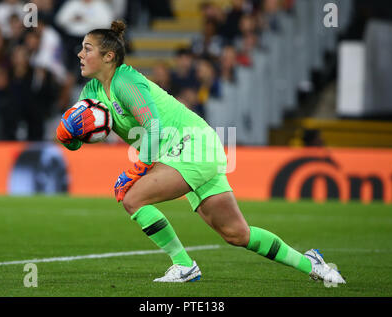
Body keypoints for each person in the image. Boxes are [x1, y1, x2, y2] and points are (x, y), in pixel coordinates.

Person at [55, 20, 346, 284]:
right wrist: (68, 137)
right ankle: (311, 263)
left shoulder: (125, 81)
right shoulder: (91, 91)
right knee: (237, 234)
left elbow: (153, 125)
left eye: (87, 48)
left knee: (132, 197)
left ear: (109, 57)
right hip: (176, 154)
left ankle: (184, 265)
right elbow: (84, 136)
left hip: (193, 145)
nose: (80, 54)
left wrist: (137, 169)